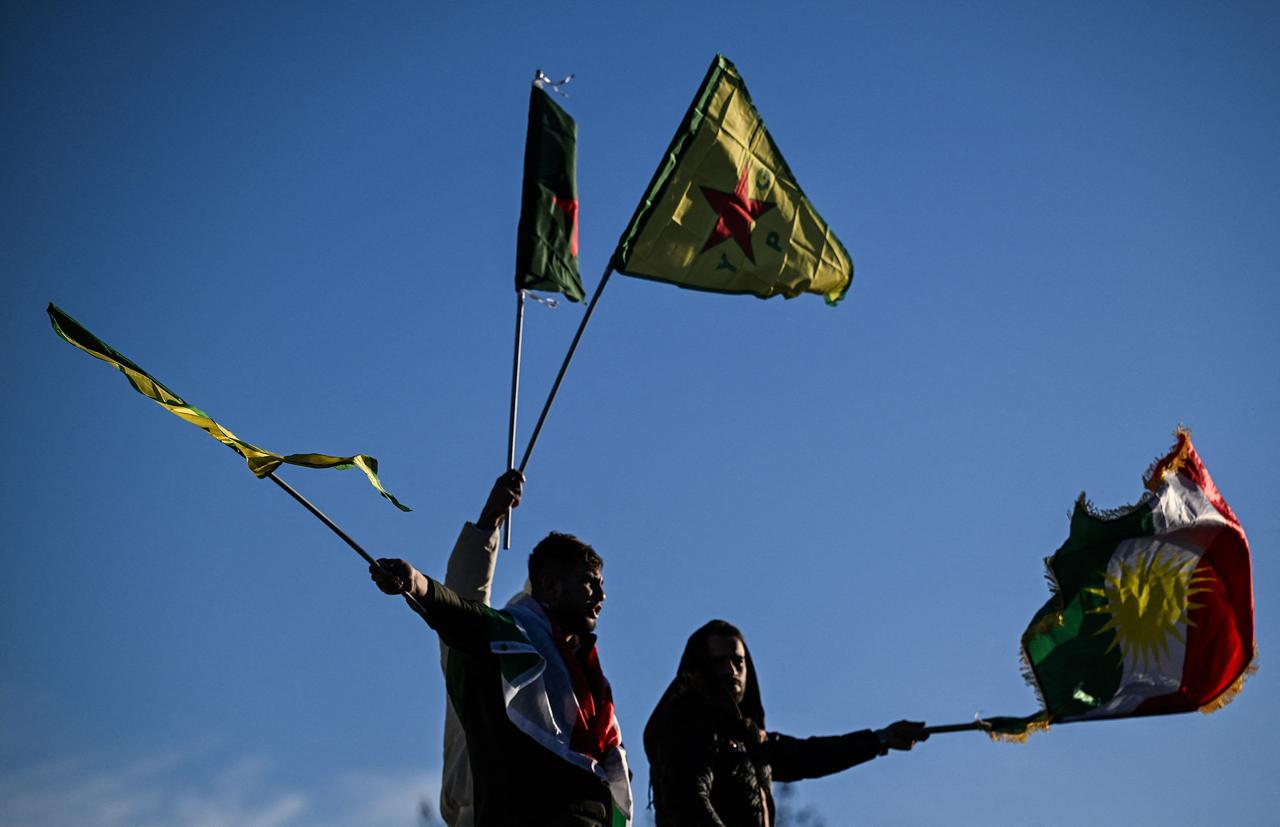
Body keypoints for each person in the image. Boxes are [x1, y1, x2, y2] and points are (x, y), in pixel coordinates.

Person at [371, 472, 631, 827]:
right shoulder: (497, 644)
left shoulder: (584, 676)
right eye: (587, 584)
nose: (600, 597)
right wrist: (421, 582)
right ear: (550, 590)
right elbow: (462, 604)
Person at [644, 619, 928, 826]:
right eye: (719, 662)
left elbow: (810, 755)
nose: (731, 671)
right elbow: (689, 802)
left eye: (738, 662)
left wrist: (880, 739)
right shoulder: (687, 725)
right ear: (700, 668)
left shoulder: (750, 739)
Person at [436, 469, 528, 826]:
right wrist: (489, 521)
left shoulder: (577, 675)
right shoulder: (485, 647)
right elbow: (462, 600)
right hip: (481, 809)